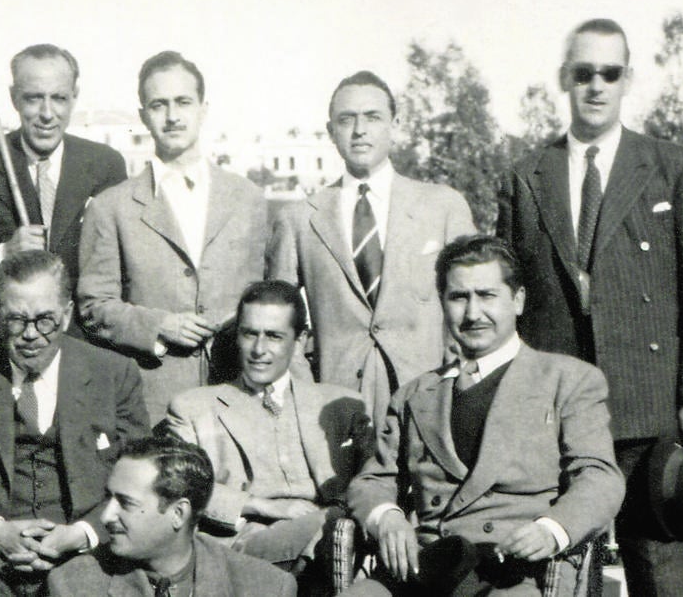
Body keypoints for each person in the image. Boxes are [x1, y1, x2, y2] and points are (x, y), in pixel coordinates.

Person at [497, 18, 683, 597]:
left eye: (609, 73)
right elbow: (509, 294)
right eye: (583, 73)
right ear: (564, 80)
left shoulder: (671, 165)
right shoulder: (526, 177)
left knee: (664, 575)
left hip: (648, 411)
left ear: (627, 79)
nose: (596, 85)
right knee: (559, 577)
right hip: (558, 417)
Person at [344, 235, 624, 596]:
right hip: (426, 569)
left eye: (487, 296)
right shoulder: (415, 394)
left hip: (514, 574)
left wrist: (552, 530)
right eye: (459, 297)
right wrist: (387, 517)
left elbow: (600, 477)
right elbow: (372, 480)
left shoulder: (567, 380)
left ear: (518, 300)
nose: (473, 313)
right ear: (443, 304)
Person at [0, 249, 149, 595]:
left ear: (66, 316)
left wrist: (81, 534)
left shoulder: (114, 374)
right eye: (16, 320)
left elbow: (142, 487)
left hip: (85, 559)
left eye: (45, 320)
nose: (30, 334)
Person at [268, 70, 474, 431]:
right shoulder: (300, 218)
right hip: (335, 407)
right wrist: (307, 388)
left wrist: (458, 376)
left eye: (372, 117)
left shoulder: (442, 207)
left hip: (432, 398)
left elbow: (473, 302)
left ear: (395, 124)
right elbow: (276, 320)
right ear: (331, 131)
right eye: (346, 119)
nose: (359, 130)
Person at [78, 51, 268, 421]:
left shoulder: (249, 199)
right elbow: (93, 306)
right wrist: (159, 325)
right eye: (158, 105)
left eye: (183, 102)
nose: (173, 116)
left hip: (240, 392)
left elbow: (272, 293)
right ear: (143, 116)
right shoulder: (111, 207)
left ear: (203, 108)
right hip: (154, 402)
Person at [164, 280, 372, 577]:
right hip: (245, 542)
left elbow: (374, 480)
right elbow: (181, 490)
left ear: (299, 341)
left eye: (274, 336)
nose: (259, 349)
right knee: (334, 526)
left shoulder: (343, 405)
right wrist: (263, 507)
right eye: (250, 334)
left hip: (326, 530)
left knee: (337, 526)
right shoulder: (193, 408)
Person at [0, 44, 126, 317]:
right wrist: (3, 252)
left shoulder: (106, 165)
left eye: (59, 98)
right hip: (6, 335)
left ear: (74, 96)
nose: (47, 113)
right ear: (14, 98)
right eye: (33, 98)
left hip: (82, 336)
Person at [47, 435, 296, 596]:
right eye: (109, 498)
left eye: (126, 503)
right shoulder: (74, 586)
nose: (106, 517)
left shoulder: (267, 588)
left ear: (178, 513)